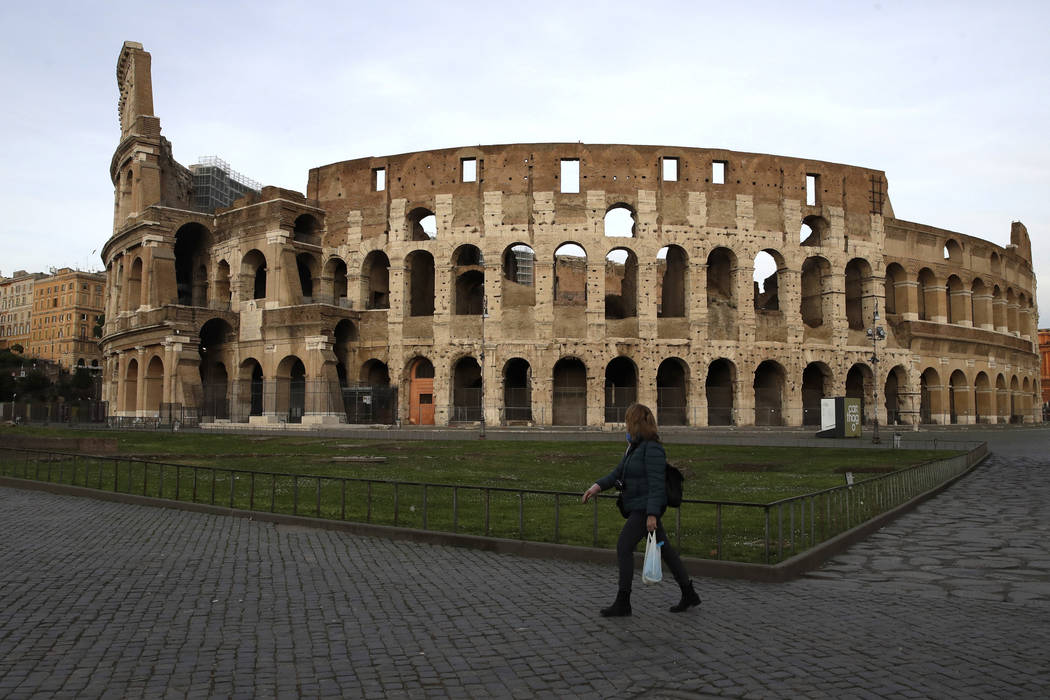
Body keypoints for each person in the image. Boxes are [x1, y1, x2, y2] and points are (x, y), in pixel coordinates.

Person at [581, 403, 701, 617]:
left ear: (635, 422)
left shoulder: (652, 448)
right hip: (640, 506)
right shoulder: (634, 447)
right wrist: (596, 487)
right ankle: (688, 592)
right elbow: (618, 472)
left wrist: (652, 514)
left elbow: (656, 484)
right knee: (665, 549)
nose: (625, 424)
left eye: (628, 420)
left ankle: (623, 601)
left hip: (645, 509)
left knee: (623, 546)